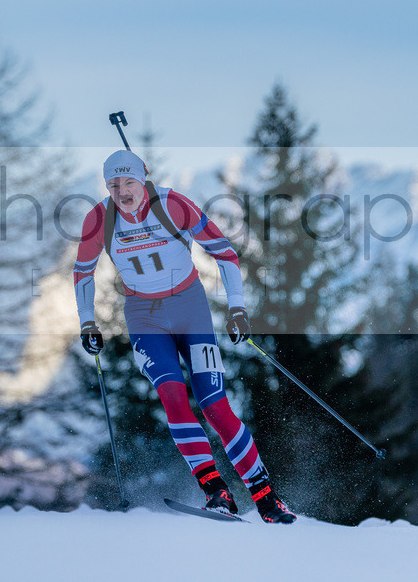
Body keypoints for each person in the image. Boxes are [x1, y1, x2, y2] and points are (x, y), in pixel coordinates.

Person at [74, 149, 296, 524]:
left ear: (143, 178)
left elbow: (225, 253)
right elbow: (83, 271)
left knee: (215, 405)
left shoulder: (173, 205)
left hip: (190, 309)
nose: (122, 192)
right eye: (113, 185)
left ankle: (265, 497)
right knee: (174, 398)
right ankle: (216, 492)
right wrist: (87, 322)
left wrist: (238, 309)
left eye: (129, 182)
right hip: (144, 317)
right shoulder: (99, 219)